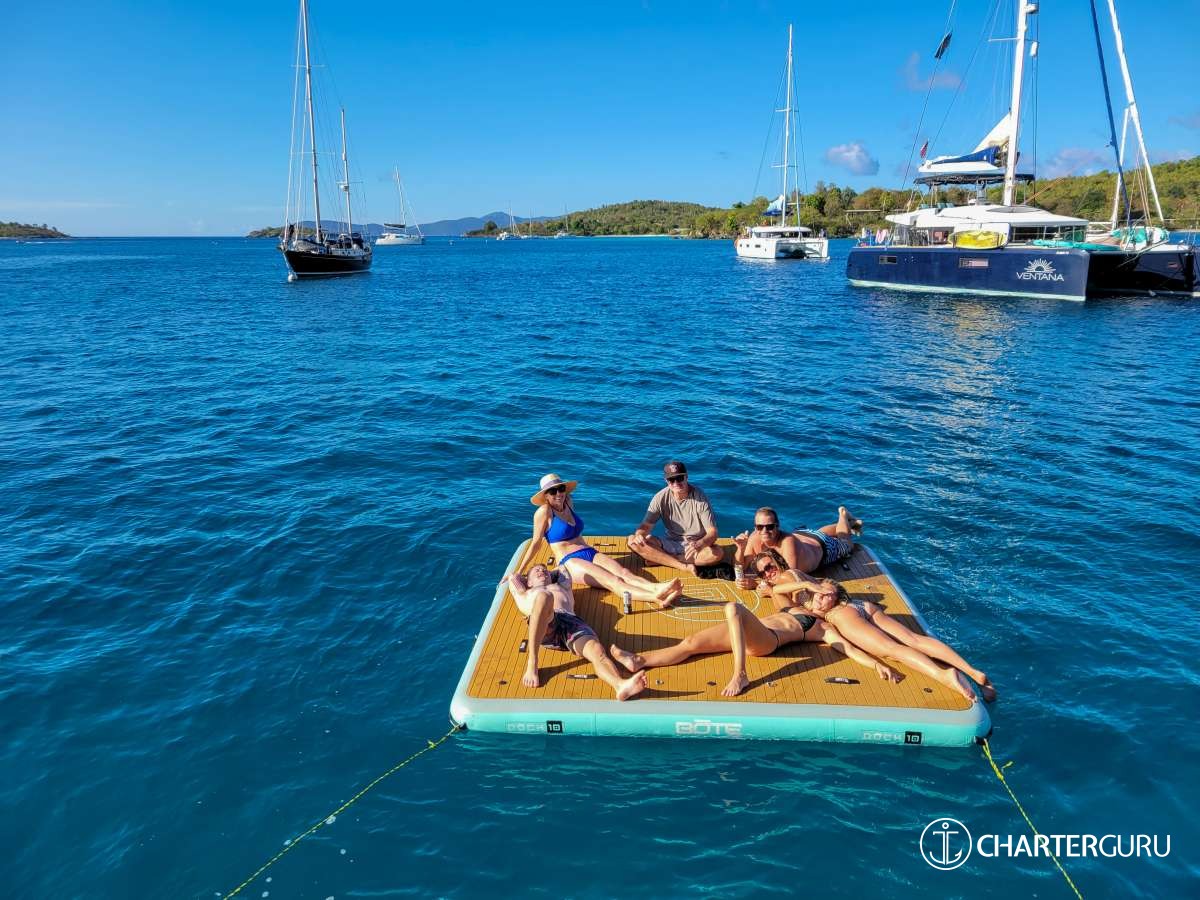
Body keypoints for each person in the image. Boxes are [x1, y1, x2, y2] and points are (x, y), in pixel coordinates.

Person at [752, 553, 996, 703]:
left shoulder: (788, 580)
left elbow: (782, 594)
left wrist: (774, 590)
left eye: (769, 566)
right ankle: (974, 673)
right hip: (859, 604)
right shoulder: (800, 575)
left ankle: (943, 675)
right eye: (763, 572)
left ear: (777, 562)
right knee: (913, 639)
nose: (768, 572)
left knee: (892, 650)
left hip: (841, 614)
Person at [609, 588, 900, 697]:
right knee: (691, 642)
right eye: (819, 593)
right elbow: (781, 585)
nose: (821, 597)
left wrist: (876, 664)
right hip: (749, 631)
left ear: (835, 603)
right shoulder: (794, 606)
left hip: (767, 641)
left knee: (733, 608)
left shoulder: (822, 627)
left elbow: (847, 648)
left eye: (828, 596)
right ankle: (639, 661)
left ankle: (740, 674)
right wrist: (806, 585)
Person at [513, 473, 683, 608]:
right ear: (546, 496)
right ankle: (656, 597)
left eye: (561, 488)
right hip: (570, 561)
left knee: (624, 573)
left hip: (588, 551)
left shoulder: (569, 502)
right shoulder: (544, 512)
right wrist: (520, 570)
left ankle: (657, 587)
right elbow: (536, 543)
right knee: (614, 581)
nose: (559, 494)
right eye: (553, 491)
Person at [505, 564, 647, 701]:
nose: (542, 571)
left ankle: (619, 685)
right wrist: (528, 578)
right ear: (528, 582)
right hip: (546, 623)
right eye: (537, 571)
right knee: (545, 596)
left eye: (544, 570)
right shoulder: (525, 593)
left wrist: (546, 575)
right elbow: (513, 577)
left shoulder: (562, 586)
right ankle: (532, 662)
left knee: (597, 651)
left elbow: (562, 568)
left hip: (570, 621)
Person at [627, 461, 723, 577]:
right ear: (666, 481)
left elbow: (713, 532)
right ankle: (682, 565)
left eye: (679, 478)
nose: (676, 483)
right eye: (671, 480)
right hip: (670, 541)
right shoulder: (660, 497)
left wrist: (700, 544)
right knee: (632, 541)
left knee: (717, 553)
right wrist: (639, 535)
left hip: (694, 545)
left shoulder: (700, 497)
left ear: (686, 477)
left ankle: (661, 559)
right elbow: (646, 526)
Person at [732, 505, 862, 590]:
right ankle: (849, 524)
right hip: (803, 535)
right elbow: (740, 567)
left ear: (777, 526)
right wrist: (740, 549)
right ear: (755, 527)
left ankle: (844, 516)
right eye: (760, 527)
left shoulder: (787, 542)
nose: (764, 531)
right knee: (818, 533)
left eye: (770, 526)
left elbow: (791, 577)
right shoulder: (755, 537)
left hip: (823, 548)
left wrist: (756, 584)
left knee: (846, 545)